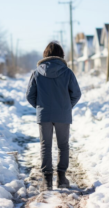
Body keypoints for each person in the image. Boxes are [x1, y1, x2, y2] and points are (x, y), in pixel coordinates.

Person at [26, 41, 81, 191]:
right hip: (63, 114)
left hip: (44, 115)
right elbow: (76, 94)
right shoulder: (67, 72)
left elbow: (30, 95)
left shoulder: (37, 72)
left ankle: (47, 181)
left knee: (46, 146)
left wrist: (40, 107)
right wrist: (66, 106)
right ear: (61, 55)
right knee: (63, 146)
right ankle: (62, 179)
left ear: (45, 55)